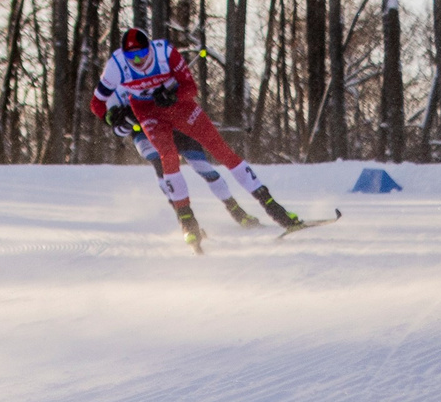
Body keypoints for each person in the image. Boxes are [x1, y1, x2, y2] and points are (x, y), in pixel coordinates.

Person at [90, 26, 307, 248]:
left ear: (150, 50)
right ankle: (186, 220)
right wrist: (112, 118)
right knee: (165, 158)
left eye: (141, 55)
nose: (136, 61)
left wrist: (173, 94)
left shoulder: (165, 53)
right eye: (131, 56)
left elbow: (190, 88)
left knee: (220, 151)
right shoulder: (116, 67)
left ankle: (271, 207)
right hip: (148, 117)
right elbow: (98, 106)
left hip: (178, 108)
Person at [102, 98, 263, 228]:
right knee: (162, 168)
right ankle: (186, 221)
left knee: (204, 168)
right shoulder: (113, 83)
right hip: (146, 136)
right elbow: (116, 128)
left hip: (178, 129)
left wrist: (170, 100)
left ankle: (236, 211)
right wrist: (124, 119)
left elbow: (182, 93)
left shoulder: (157, 64)